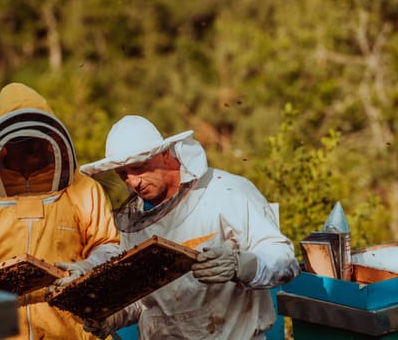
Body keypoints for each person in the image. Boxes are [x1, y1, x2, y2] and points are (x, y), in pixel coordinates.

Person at [79, 115, 301, 339]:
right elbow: (149, 302)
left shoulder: (226, 192)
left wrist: (239, 265)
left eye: (139, 168)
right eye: (123, 175)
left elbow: (283, 260)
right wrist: (115, 317)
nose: (133, 182)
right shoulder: (136, 220)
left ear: (165, 154)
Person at [0, 83, 120, 339]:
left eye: (34, 144)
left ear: (49, 144)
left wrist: (88, 266)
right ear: (4, 149)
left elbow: (107, 247)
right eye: (20, 145)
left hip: (70, 330)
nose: (29, 152)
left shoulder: (83, 189)